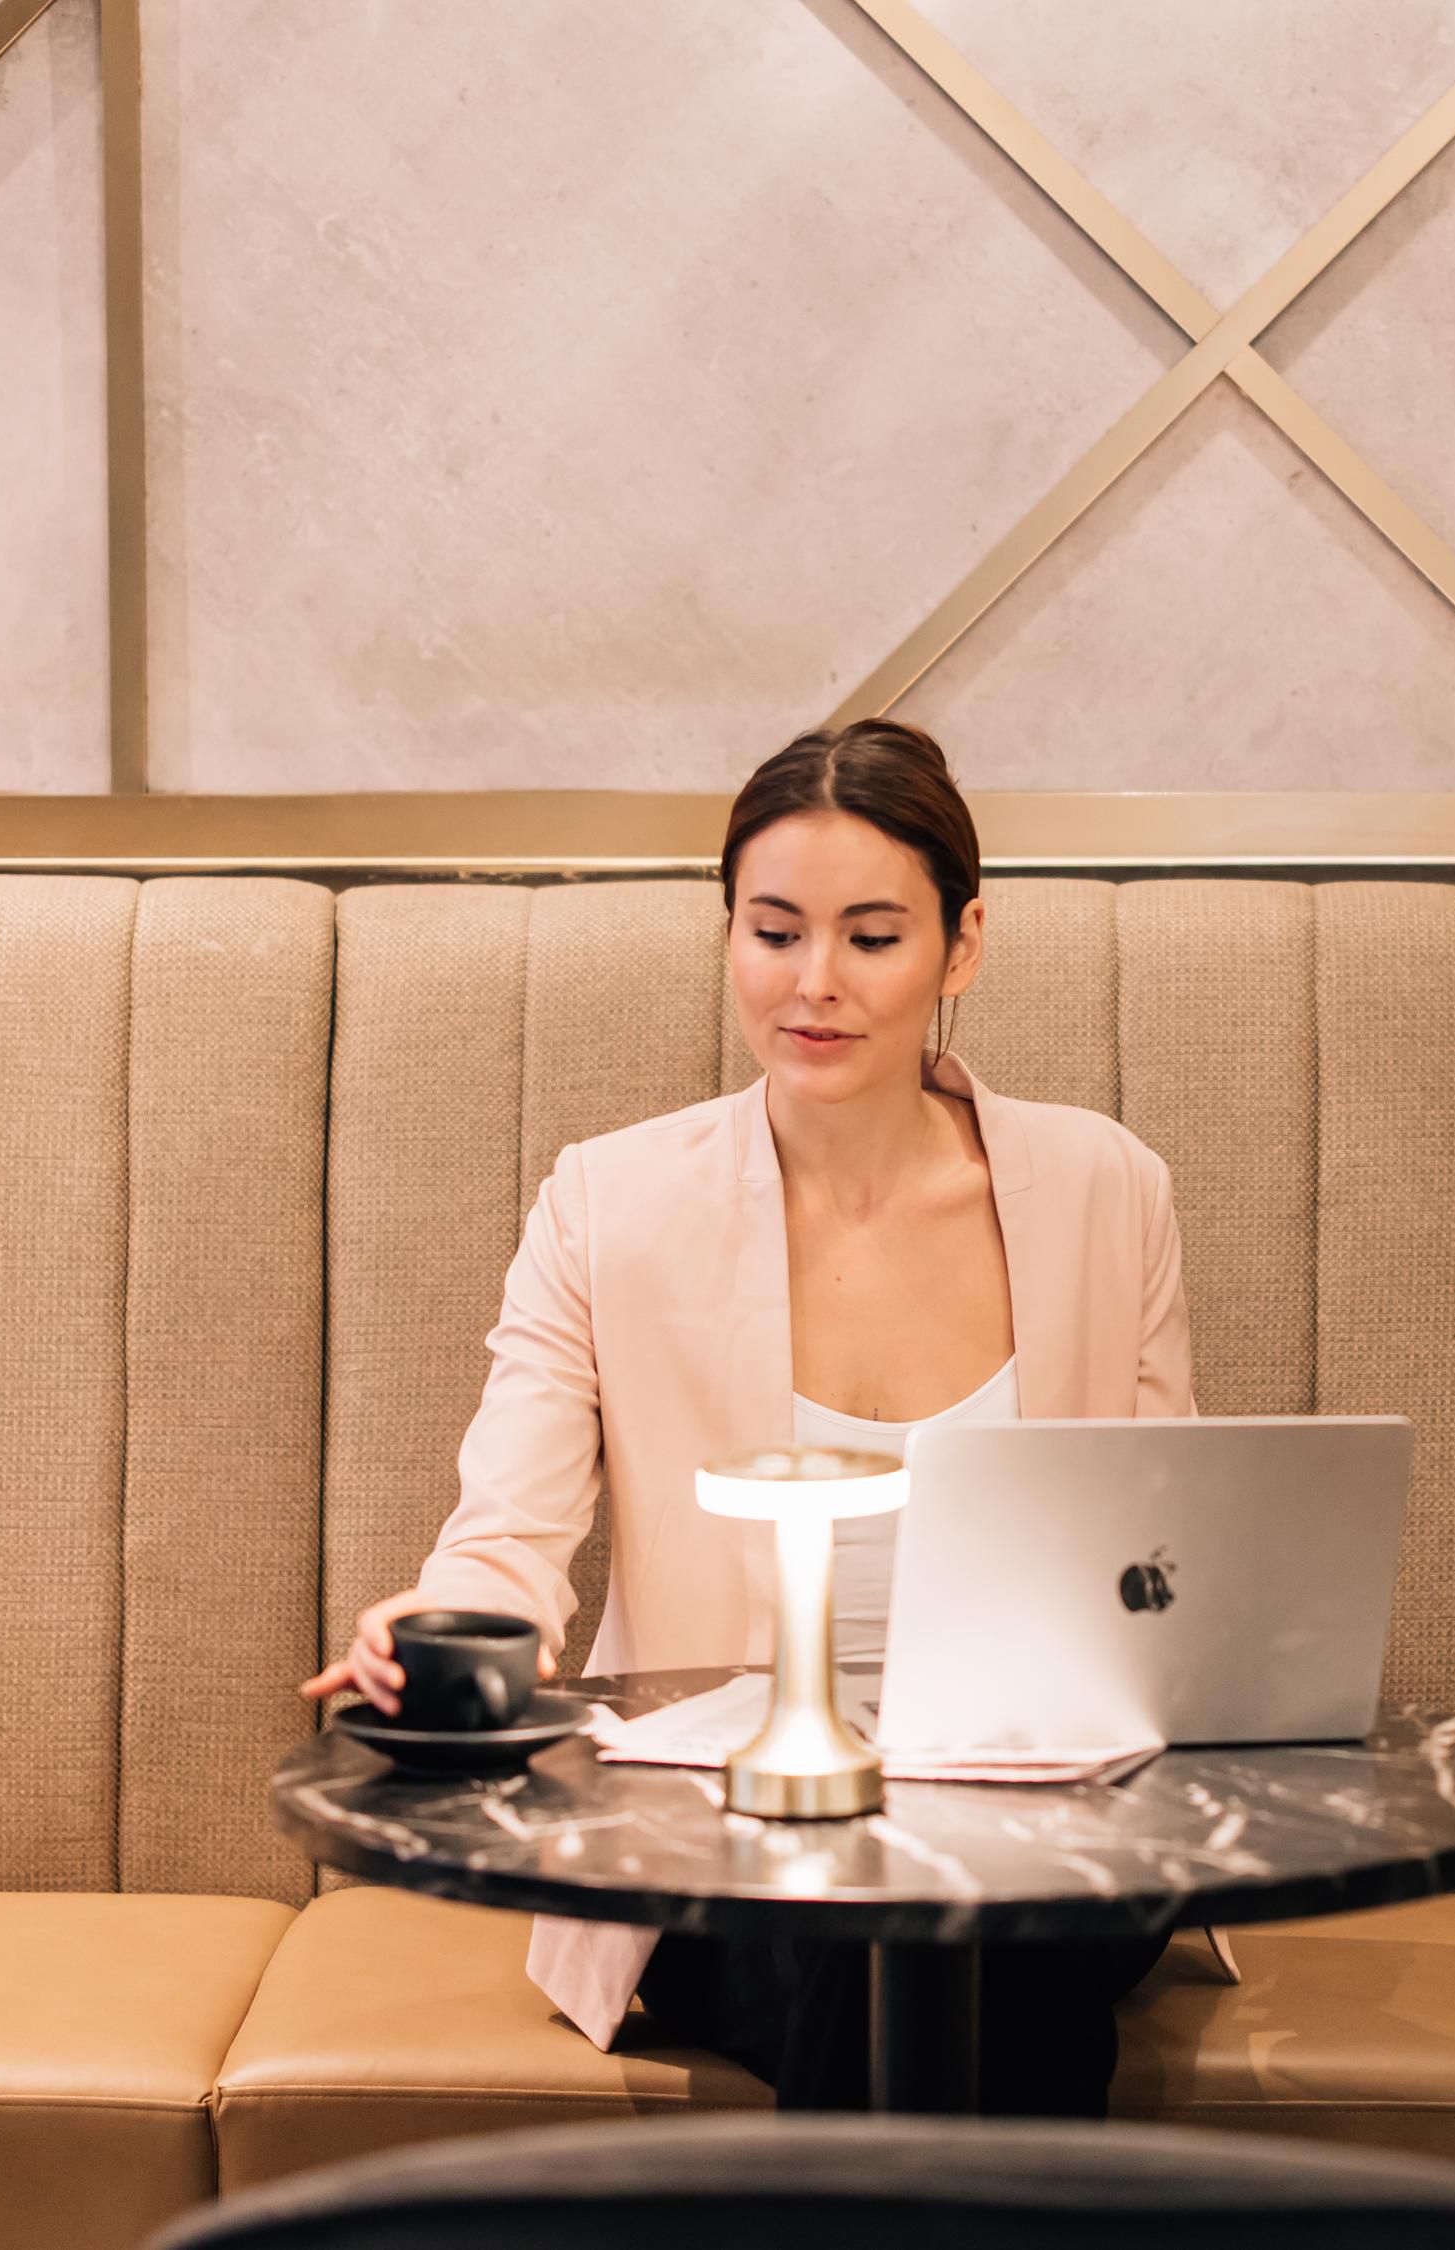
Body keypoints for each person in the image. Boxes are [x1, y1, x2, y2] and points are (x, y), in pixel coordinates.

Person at [300, 719, 1191, 2114]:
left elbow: (1168, 1559)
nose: (813, 983)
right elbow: (511, 1531)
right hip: (729, 1841)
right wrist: (438, 1631)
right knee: (913, 1951)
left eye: (872, 937)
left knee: (981, 1928)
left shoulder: (1105, 1187)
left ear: (962, 946)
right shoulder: (608, 1205)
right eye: (774, 931)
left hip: (1047, 1819)